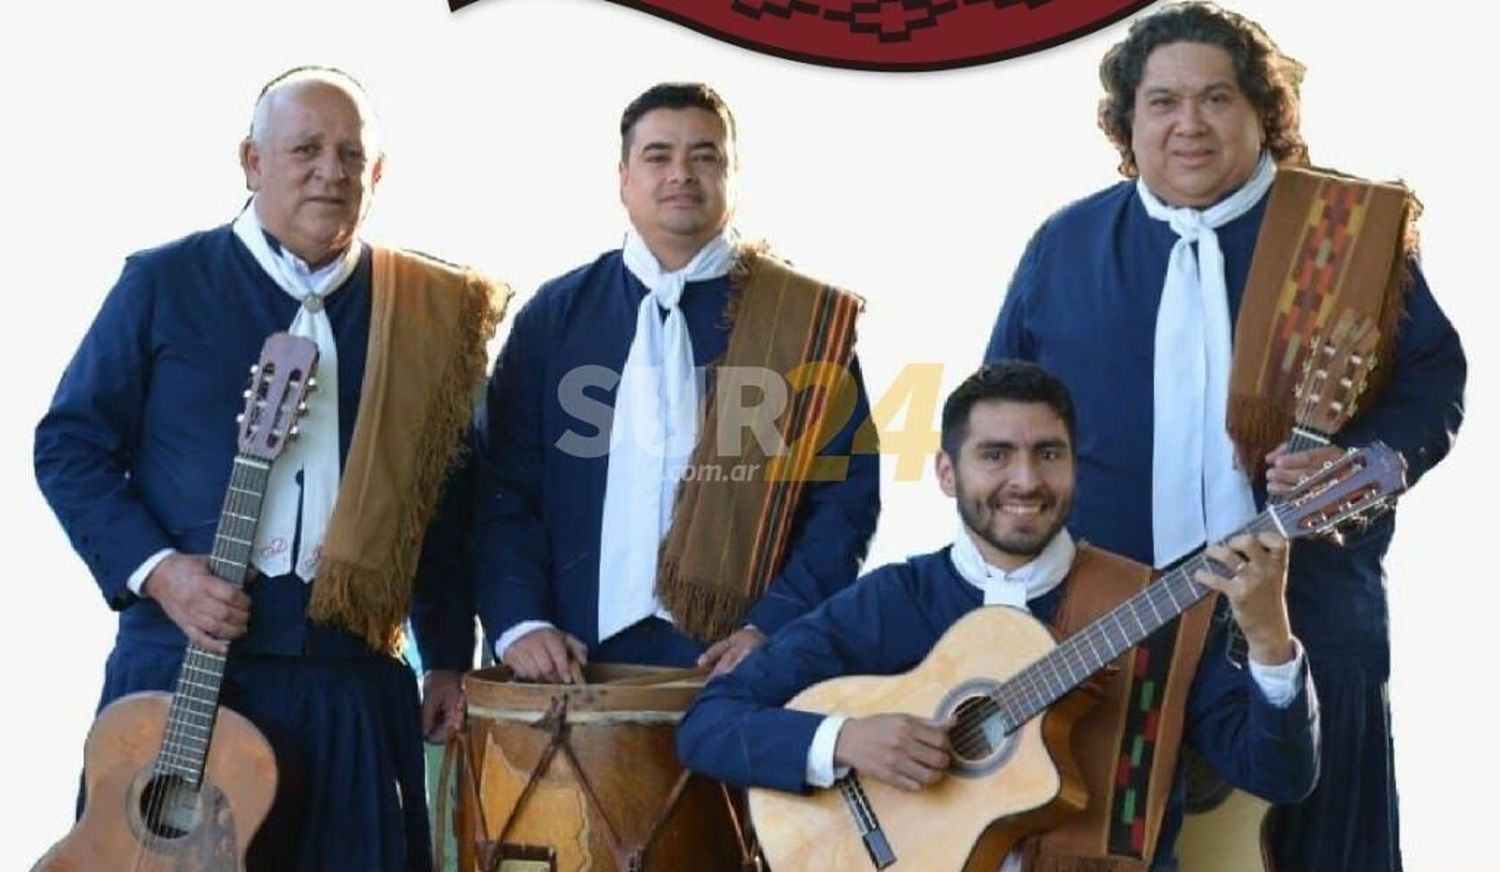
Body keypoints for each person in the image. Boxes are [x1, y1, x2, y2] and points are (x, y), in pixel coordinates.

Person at [984, 5, 1466, 870]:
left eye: (1217, 99)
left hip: (1311, 607)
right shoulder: (1064, 246)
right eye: (1162, 101)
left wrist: (1370, 463)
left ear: (1263, 115)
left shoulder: (1343, 233)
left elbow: (1433, 379)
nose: (1189, 124)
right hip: (1113, 622)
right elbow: (1000, 416)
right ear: (1128, 122)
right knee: (1105, 848)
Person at [34, 66, 505, 872]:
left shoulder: (428, 311)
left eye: (351, 155)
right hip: (177, 667)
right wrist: (160, 573)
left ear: (377, 174)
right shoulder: (163, 281)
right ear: (252, 162)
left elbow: (448, 505)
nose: (331, 171)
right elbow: (70, 446)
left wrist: (449, 658)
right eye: (306, 150)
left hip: (348, 679)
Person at [677, 361, 1319, 870]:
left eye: (1048, 453)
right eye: (995, 455)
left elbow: (1283, 777)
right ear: (947, 474)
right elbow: (709, 724)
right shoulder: (893, 603)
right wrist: (845, 740)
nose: (1025, 480)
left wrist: (1269, 637)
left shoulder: (1156, 608)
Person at [428, 82, 880, 696]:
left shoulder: (802, 322)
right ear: (623, 178)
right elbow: (504, 492)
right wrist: (520, 621)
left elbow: (844, 503)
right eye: (658, 156)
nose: (681, 175)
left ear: (733, 174)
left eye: (704, 156)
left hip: (742, 670)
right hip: (575, 665)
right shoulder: (555, 317)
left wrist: (774, 629)